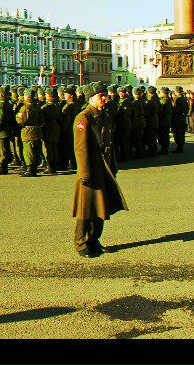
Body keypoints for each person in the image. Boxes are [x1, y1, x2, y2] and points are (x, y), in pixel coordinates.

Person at [73, 82, 127, 258]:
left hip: (104, 168)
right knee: (86, 208)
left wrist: (113, 166)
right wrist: (85, 173)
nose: (104, 98)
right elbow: (81, 149)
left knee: (102, 207)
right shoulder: (84, 118)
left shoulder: (103, 116)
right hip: (90, 170)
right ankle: (81, 243)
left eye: (105, 95)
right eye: (100, 96)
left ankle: (94, 239)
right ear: (91, 99)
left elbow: (109, 144)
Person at [0, 86, 16, 175]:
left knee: (0, 149)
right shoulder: (8, 104)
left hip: (1, 131)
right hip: (7, 129)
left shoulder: (0, 105)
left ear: (0, 94)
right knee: (4, 148)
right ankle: (2, 166)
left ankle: (2, 167)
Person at [171, 86, 189, 152]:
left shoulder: (177, 99)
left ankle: (179, 147)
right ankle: (180, 147)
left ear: (176, 92)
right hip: (182, 118)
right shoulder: (184, 99)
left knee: (177, 134)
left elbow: (175, 110)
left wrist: (173, 118)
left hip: (177, 119)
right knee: (181, 134)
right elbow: (187, 109)